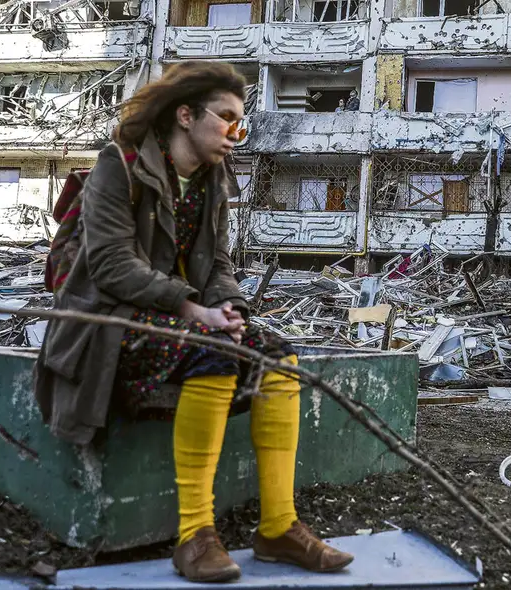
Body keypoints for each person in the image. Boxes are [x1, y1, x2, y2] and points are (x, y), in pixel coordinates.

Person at [33, 62, 354, 583]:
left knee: (279, 356)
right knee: (214, 351)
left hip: (185, 319)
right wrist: (191, 309)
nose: (235, 133)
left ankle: (278, 527)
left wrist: (229, 308)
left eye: (240, 124)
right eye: (227, 119)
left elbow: (219, 264)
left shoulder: (211, 180)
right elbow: (112, 264)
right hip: (107, 323)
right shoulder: (120, 165)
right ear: (185, 115)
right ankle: (195, 536)